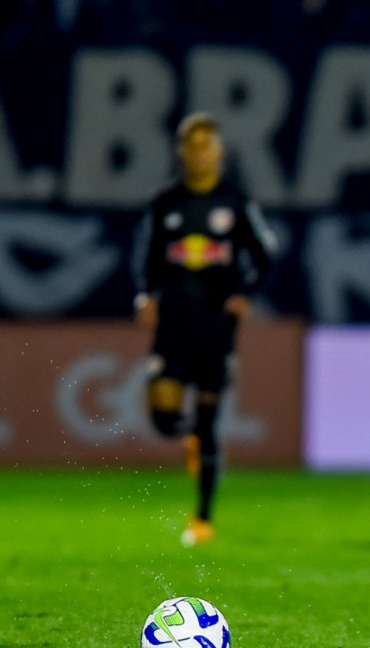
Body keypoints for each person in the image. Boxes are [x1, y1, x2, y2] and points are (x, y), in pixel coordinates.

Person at [134, 112, 276, 546]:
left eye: (205, 146)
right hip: (174, 322)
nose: (198, 154)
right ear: (182, 152)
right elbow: (148, 255)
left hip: (216, 323)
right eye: (190, 146)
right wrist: (146, 295)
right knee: (162, 415)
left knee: (210, 416)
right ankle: (187, 436)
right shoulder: (166, 203)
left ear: (219, 153)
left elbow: (264, 253)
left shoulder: (234, 202)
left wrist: (245, 294)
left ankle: (202, 517)